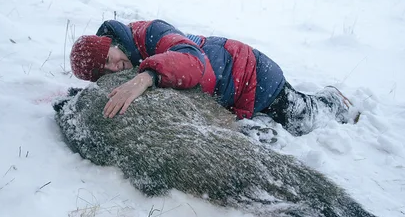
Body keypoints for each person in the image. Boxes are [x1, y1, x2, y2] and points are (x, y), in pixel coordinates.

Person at [69, 19, 359, 136]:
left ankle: (331, 101)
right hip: (231, 93)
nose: (114, 68)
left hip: (251, 75)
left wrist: (145, 78)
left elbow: (195, 63)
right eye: (104, 72)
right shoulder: (130, 55)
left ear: (110, 42)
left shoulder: (151, 32)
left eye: (109, 59)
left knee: (303, 121)